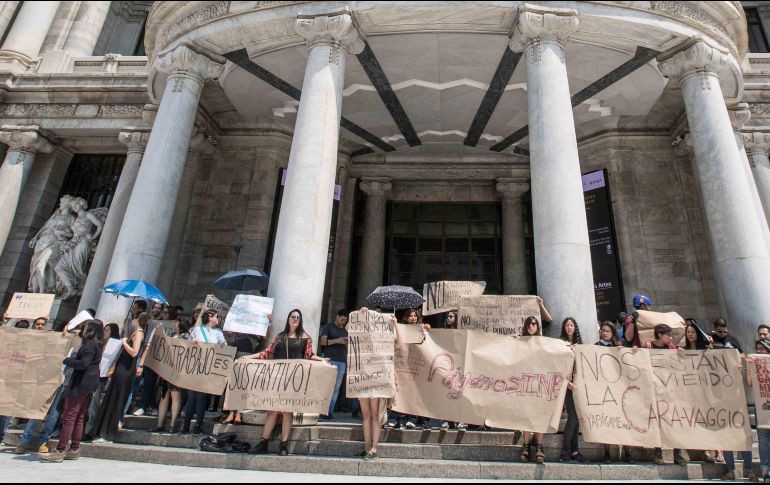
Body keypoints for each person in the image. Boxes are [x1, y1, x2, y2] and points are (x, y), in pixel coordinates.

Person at [245, 309, 330, 456]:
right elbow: (267, 353)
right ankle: (263, 442)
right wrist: (248, 358)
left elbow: (309, 355)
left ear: (300, 320)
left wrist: (322, 360)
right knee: (272, 410)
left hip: (293, 379)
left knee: (287, 411)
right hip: (277, 378)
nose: (295, 319)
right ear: (288, 319)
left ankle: (284, 444)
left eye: (298, 317)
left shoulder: (305, 338)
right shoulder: (280, 337)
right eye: (293, 317)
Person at [40, 320, 104, 463]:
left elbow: (83, 364)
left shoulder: (88, 346)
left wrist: (67, 360)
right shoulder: (98, 345)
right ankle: (74, 448)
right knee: (79, 417)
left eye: (86, 327)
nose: (83, 329)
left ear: (91, 330)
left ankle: (60, 450)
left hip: (80, 384)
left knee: (69, 416)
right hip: (88, 384)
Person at [89, 313, 147, 442]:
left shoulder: (139, 333)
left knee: (117, 399)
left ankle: (107, 433)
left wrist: (124, 342)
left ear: (136, 319)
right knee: (112, 397)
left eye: (132, 318)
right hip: (121, 367)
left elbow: (134, 352)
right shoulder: (132, 333)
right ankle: (101, 430)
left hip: (126, 369)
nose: (130, 321)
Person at [354, 307, 400, 461]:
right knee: (366, 415)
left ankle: (374, 448)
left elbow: (398, 344)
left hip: (379, 377)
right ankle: (367, 447)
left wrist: (396, 325)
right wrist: (361, 314)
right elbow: (351, 330)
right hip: (363, 376)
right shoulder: (364, 332)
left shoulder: (386, 333)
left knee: (375, 415)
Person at [14, 318, 62, 455]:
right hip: (42, 382)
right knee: (36, 412)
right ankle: (24, 442)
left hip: (58, 383)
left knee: (53, 414)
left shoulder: (63, 349)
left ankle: (43, 441)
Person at [643, 324, 686, 466]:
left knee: (675, 422)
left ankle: (677, 454)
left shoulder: (672, 348)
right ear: (660, 335)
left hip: (671, 391)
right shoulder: (648, 346)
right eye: (668, 334)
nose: (671, 337)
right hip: (655, 390)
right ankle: (658, 453)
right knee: (658, 423)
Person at [181, 310, 228, 434]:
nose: (218, 318)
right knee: (191, 397)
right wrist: (193, 342)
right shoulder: (196, 330)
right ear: (210, 317)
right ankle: (186, 425)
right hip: (195, 366)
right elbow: (188, 345)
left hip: (208, 367)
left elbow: (224, 345)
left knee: (201, 397)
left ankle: (198, 425)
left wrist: (223, 345)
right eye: (216, 316)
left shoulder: (218, 332)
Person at [595, 321, 633, 464]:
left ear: (612, 333)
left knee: (623, 420)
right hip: (604, 391)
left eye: (608, 331)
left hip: (619, 389)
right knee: (607, 421)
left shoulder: (619, 347)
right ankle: (607, 453)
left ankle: (627, 452)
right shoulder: (595, 346)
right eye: (603, 330)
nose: (605, 333)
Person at [386, 308, 430, 430]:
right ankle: (400, 419)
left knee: (413, 393)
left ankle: (412, 419)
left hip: (416, 365)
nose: (413, 318)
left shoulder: (421, 330)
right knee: (401, 393)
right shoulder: (401, 330)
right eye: (410, 316)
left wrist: (427, 329)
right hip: (402, 364)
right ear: (406, 317)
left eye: (415, 316)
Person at [151, 316, 193, 433]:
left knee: (175, 396)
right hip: (167, 369)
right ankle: (160, 423)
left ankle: (173, 424)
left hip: (177, 370)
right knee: (164, 396)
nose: (175, 324)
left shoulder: (186, 336)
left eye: (177, 322)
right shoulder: (174, 335)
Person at [83, 323, 121, 440]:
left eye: (107, 330)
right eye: (104, 330)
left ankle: (91, 430)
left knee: (95, 405)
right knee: (90, 406)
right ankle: (87, 429)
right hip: (94, 376)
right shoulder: (99, 344)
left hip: (105, 379)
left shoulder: (116, 346)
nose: (105, 333)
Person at [559, 317, 587, 463]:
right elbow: (558, 365)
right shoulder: (560, 344)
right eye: (567, 325)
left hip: (579, 385)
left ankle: (575, 451)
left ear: (575, 328)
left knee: (576, 420)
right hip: (567, 386)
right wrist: (566, 381)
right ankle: (565, 451)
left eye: (572, 325)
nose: (569, 327)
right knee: (573, 417)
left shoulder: (580, 345)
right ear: (564, 328)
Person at [520, 316, 547, 464]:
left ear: (537, 326)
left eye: (534, 323)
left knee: (539, 414)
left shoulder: (543, 343)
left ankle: (539, 445)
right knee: (525, 414)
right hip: (524, 382)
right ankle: (525, 444)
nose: (531, 326)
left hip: (539, 383)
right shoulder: (520, 342)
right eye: (529, 324)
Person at [320, 309, 349, 421]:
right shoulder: (328, 327)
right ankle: (323, 410)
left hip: (341, 361)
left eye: (345, 321)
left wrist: (346, 343)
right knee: (327, 386)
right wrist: (336, 341)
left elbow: (347, 348)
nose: (343, 322)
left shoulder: (345, 332)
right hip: (330, 359)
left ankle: (330, 411)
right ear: (337, 317)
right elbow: (323, 342)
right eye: (342, 319)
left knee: (336, 388)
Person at [749, 339, 770, 482]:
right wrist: (748, 368)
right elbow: (749, 383)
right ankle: (765, 470)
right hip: (761, 407)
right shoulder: (753, 364)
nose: (759, 351)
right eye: (757, 349)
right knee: (762, 439)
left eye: (762, 349)